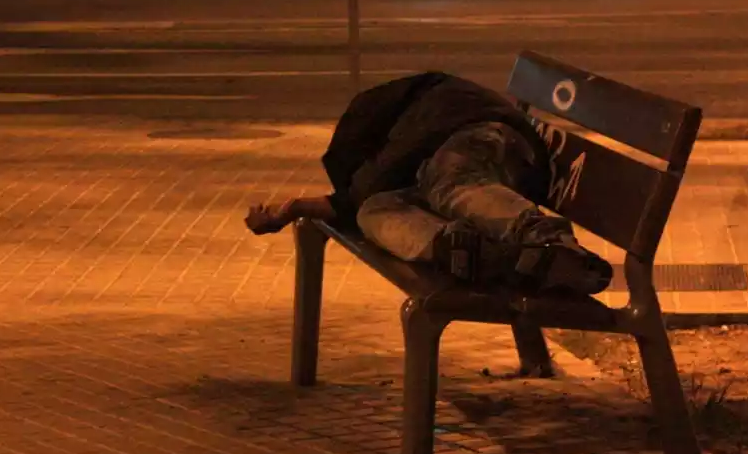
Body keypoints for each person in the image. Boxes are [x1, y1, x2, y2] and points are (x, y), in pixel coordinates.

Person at [244, 72, 612, 295]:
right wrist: (291, 209)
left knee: (446, 181)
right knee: (375, 210)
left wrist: (321, 203)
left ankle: (551, 243)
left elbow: (361, 190)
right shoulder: (404, 128)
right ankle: (461, 250)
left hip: (486, 143)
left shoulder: (422, 113)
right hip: (461, 171)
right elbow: (361, 200)